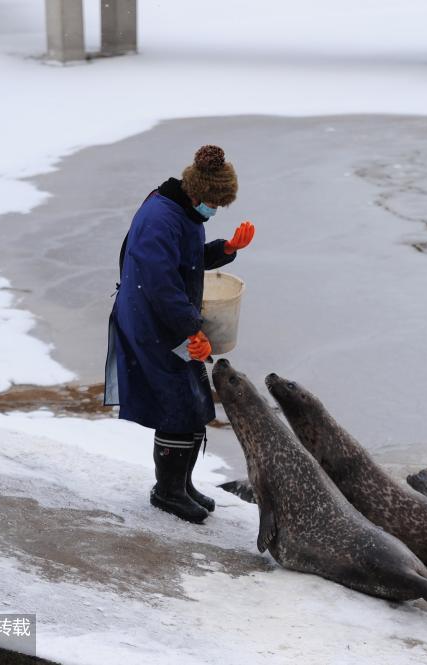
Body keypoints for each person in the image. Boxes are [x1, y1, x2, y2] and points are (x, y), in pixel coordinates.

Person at [104, 145, 255, 524]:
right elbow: (163, 285)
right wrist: (193, 329)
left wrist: (227, 249)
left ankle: (182, 485)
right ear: (197, 192)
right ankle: (167, 491)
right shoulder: (160, 218)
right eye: (212, 203)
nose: (214, 210)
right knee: (176, 402)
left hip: (169, 321)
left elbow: (188, 259)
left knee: (191, 400)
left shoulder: (183, 210)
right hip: (151, 323)